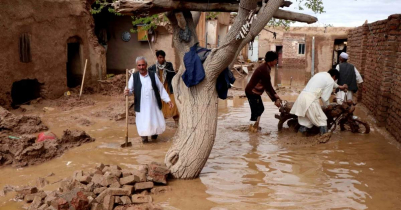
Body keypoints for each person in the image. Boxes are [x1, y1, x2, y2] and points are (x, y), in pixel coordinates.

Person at [124, 56, 173, 143]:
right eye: (139, 65)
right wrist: (127, 92)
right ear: (137, 66)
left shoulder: (153, 75)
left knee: (154, 123)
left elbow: (161, 88)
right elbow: (130, 90)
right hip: (141, 105)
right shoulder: (134, 77)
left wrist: (168, 100)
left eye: (143, 65)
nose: (141, 67)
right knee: (143, 124)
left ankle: (154, 137)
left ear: (146, 65)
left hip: (153, 105)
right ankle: (144, 139)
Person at [290, 69, 348, 135]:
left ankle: (298, 138)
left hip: (301, 98)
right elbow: (324, 98)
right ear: (334, 76)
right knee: (322, 121)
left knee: (306, 123)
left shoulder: (320, 74)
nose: (334, 81)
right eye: (335, 79)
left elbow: (331, 83)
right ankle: (323, 140)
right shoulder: (330, 81)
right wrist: (328, 106)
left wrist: (340, 87)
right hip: (311, 101)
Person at [245, 51, 281, 132]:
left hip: (255, 92)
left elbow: (268, 86)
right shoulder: (264, 69)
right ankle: (252, 130)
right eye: (276, 60)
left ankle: (255, 126)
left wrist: (275, 96)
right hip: (252, 92)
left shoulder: (267, 67)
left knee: (260, 108)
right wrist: (275, 99)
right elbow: (268, 87)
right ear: (271, 60)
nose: (276, 62)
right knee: (256, 111)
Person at [148, 50, 179, 124]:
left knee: (173, 104)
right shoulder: (152, 68)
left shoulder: (169, 65)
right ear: (157, 58)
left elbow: (173, 75)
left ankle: (177, 123)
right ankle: (160, 125)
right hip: (158, 89)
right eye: (160, 57)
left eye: (163, 57)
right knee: (160, 107)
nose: (162, 59)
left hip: (168, 87)